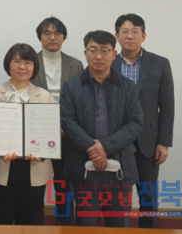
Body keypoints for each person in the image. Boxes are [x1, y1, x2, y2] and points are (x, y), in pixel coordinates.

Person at [60, 31, 143, 227]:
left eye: (104, 51)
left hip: (120, 167)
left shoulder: (128, 87)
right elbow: (67, 121)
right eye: (93, 50)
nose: (98, 56)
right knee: (86, 224)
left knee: (119, 225)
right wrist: (92, 147)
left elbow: (135, 122)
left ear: (114, 54)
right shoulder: (71, 86)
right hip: (83, 166)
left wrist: (104, 147)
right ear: (85, 53)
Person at [0, 43, 54, 225]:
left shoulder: (44, 96)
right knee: (1, 219)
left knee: (30, 221)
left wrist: (42, 151)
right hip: (0, 165)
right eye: (17, 61)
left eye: (28, 62)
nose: (22, 67)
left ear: (34, 66)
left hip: (34, 167)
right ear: (8, 64)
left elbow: (52, 132)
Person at [112, 14, 175, 229]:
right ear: (117, 36)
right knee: (119, 197)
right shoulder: (108, 63)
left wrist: (164, 142)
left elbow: (167, 106)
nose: (130, 36)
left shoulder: (160, 63)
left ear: (144, 36)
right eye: (125, 31)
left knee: (148, 195)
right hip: (116, 140)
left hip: (148, 141)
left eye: (135, 31)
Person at [31, 17, 83, 225]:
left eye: (57, 33)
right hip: (36, 134)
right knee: (35, 183)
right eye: (47, 33)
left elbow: (80, 100)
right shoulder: (29, 62)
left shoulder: (75, 64)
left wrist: (65, 127)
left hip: (66, 135)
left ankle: (65, 225)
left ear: (63, 37)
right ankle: (35, 225)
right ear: (39, 37)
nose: (52, 37)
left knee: (64, 184)